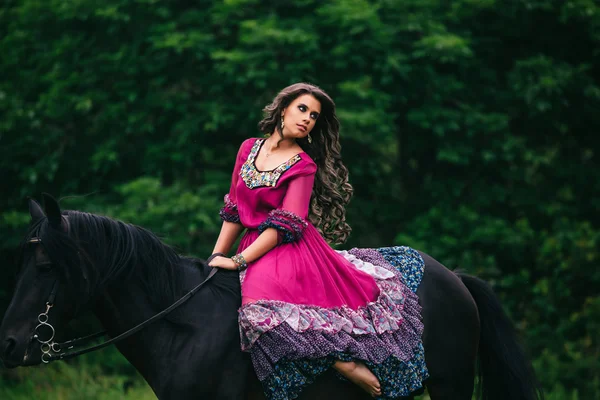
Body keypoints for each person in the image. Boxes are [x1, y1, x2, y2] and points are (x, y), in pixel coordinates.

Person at [208, 83, 424, 399]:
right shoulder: (248, 149)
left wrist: (239, 261)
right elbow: (235, 210)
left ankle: (341, 361)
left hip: (288, 246)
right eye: (302, 109)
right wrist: (216, 255)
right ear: (283, 109)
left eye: (314, 116)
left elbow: (286, 224)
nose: (308, 118)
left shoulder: (302, 165)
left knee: (259, 313)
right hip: (255, 243)